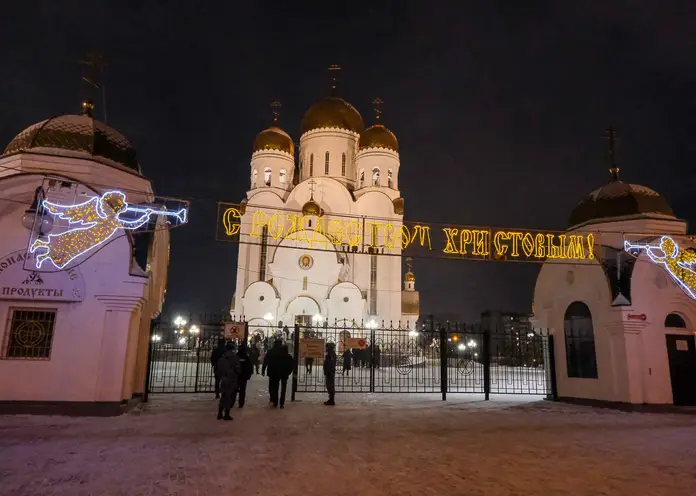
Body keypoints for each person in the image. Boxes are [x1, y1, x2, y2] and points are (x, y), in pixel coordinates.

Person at [215, 341, 241, 420]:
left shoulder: (223, 357)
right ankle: (226, 413)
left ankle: (220, 412)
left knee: (224, 395)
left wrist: (220, 376)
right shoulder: (234, 357)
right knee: (229, 397)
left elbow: (218, 367)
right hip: (231, 379)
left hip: (224, 378)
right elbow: (238, 368)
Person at [264, 339, 285, 407]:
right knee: (276, 386)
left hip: (271, 371)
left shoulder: (270, 351)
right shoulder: (282, 352)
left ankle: (272, 398)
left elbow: (265, 361)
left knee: (271, 386)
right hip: (279, 371)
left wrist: (263, 369)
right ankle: (275, 400)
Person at [279, 344, 294, 408]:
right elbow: (291, 366)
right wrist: (288, 372)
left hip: (277, 373)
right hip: (285, 374)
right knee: (283, 388)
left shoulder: (278, 356)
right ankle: (281, 403)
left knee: (275, 387)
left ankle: (275, 401)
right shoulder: (289, 357)